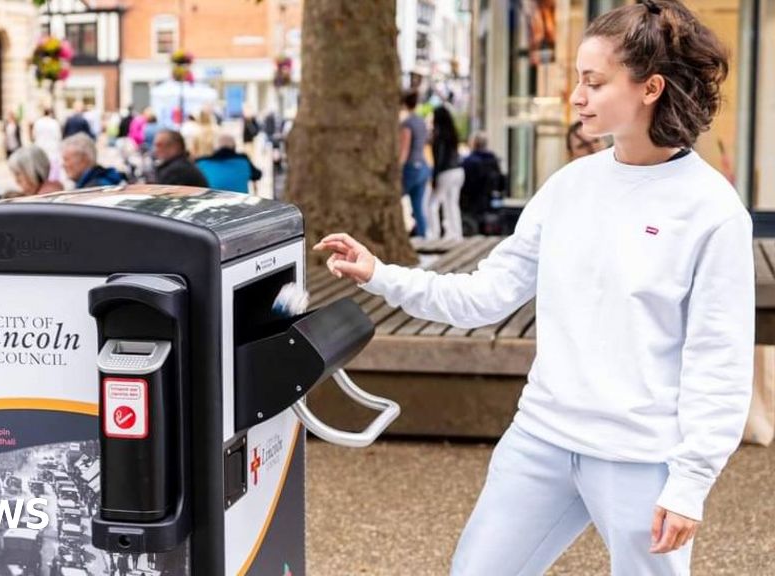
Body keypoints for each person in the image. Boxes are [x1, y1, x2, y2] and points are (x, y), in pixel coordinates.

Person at [315, 2, 751, 574]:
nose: (576, 96)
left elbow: (719, 360)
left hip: (642, 458)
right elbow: (485, 297)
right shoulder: (569, 186)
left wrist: (691, 480)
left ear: (651, 88)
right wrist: (380, 273)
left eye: (594, 83)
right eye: (578, 80)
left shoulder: (713, 211)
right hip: (540, 439)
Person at [459, 131, 506, 235]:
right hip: (489, 200)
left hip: (472, 202)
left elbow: (465, 184)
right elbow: (501, 182)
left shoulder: (469, 162)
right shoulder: (493, 160)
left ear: (473, 143)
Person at [398, 90, 431, 238]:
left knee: (396, 197)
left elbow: (405, 147)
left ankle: (402, 231)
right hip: (423, 166)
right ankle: (423, 236)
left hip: (411, 166)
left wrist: (399, 165)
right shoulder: (421, 122)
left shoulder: (407, 123)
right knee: (418, 206)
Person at [430, 105, 465, 240]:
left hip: (446, 172)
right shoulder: (453, 133)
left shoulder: (438, 135)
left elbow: (439, 158)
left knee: (433, 204)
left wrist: (434, 177)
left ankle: (434, 234)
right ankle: (456, 233)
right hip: (458, 171)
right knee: (452, 203)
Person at [195, 134, 262, 193]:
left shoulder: (201, 163)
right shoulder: (243, 161)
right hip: (240, 203)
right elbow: (257, 175)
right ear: (234, 147)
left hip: (211, 202)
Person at [32, 108, 63, 181]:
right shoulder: (54, 123)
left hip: (41, 146)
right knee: (53, 168)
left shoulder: (38, 122)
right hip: (53, 147)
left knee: (42, 165)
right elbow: (58, 136)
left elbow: (34, 135)